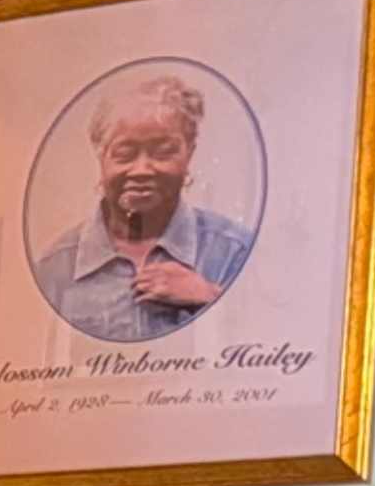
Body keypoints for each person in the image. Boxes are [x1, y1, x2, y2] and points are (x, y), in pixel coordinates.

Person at [28, 70, 255, 344]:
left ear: (190, 153)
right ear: (100, 155)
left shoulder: (234, 251)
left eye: (163, 151)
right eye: (125, 153)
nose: (142, 169)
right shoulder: (56, 268)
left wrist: (209, 297)